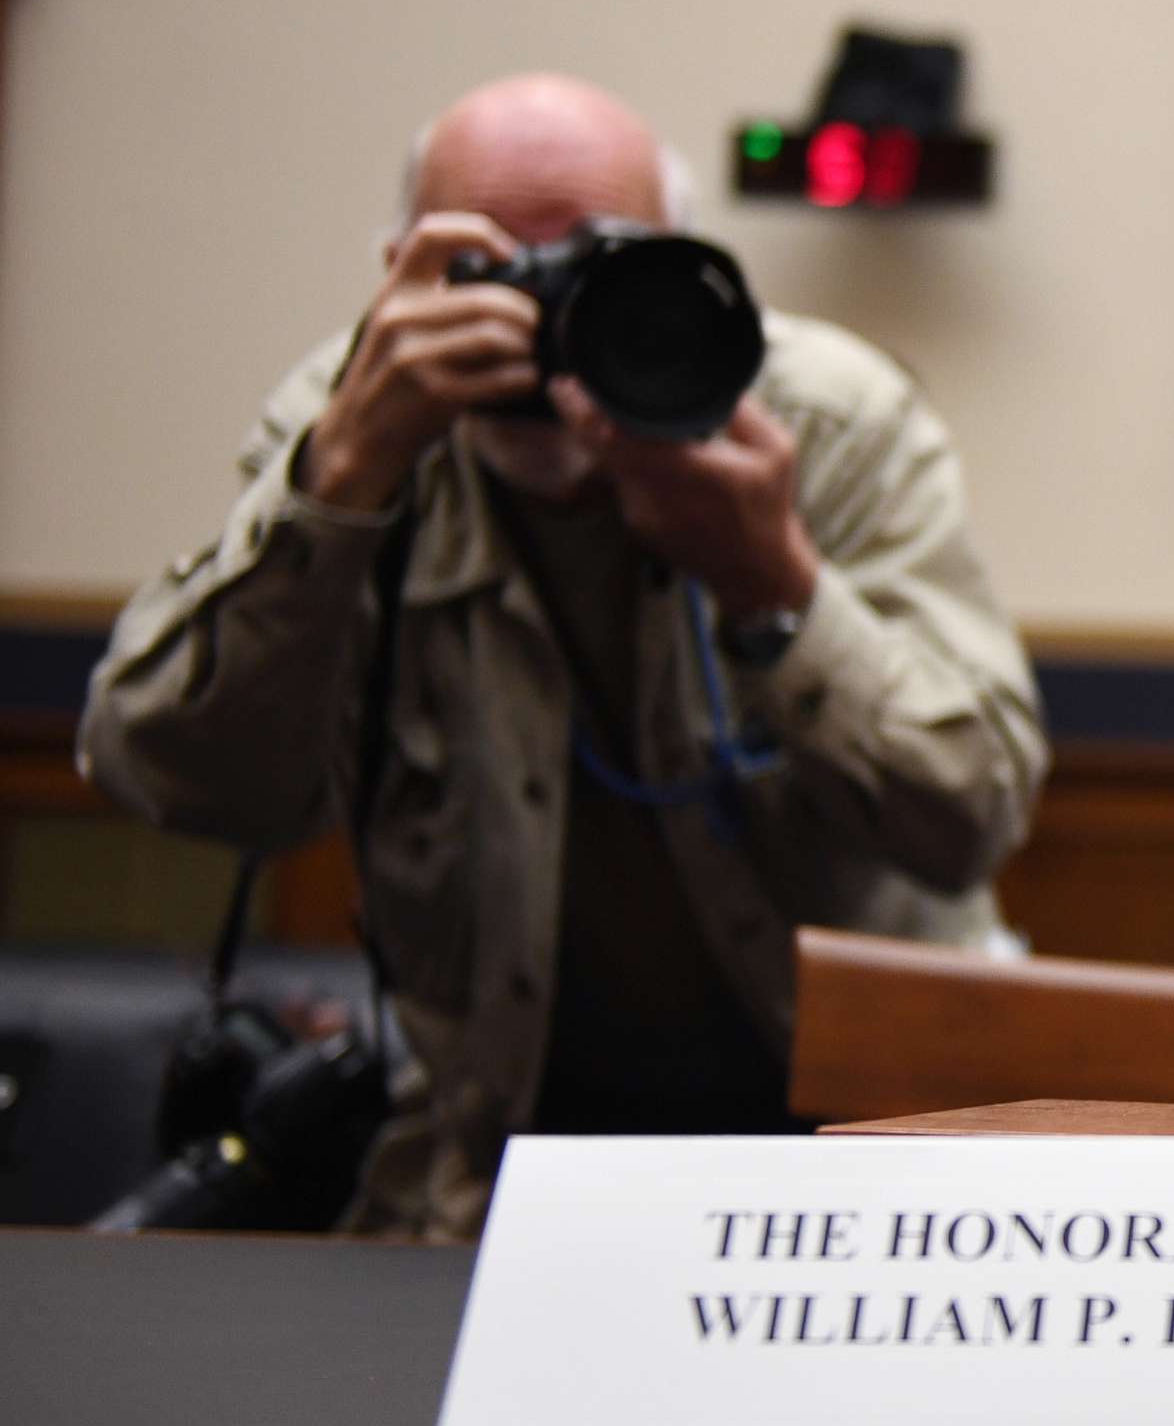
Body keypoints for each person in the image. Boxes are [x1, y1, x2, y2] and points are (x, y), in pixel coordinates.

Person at [78, 74, 1048, 1238]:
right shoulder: (354, 427)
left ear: (683, 262)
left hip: (857, 1165)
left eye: (596, 272)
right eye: (489, 273)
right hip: (488, 1166)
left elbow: (976, 808)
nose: (541, 327)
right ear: (398, 276)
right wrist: (340, 492)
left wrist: (772, 586)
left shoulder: (827, 420)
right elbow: (178, 776)